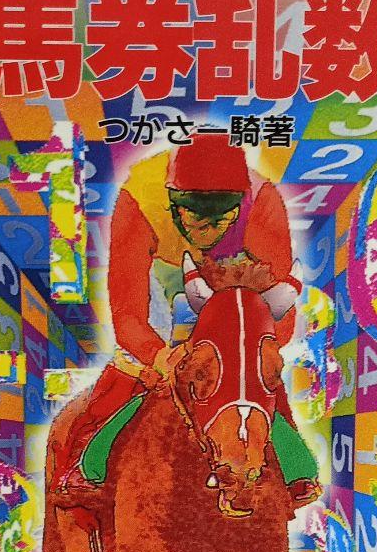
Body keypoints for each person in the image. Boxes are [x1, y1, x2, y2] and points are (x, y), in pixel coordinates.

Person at [52, 133, 320, 508]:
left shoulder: (262, 201)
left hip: (233, 287)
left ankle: (297, 469)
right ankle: (87, 466)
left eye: (223, 220)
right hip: (160, 283)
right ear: (175, 205)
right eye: (197, 219)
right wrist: (161, 357)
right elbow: (128, 316)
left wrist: (249, 352)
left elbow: (280, 313)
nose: (210, 232)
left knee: (256, 378)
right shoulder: (139, 200)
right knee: (130, 381)